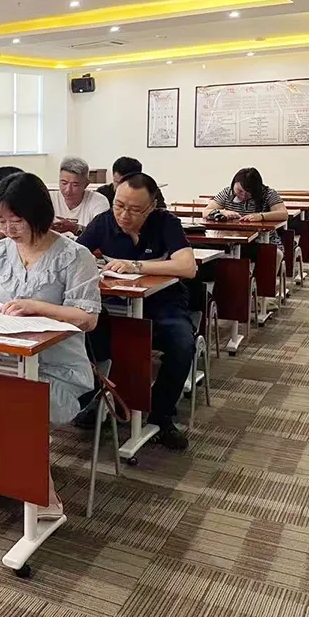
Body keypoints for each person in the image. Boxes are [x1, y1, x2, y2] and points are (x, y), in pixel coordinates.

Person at [0, 172, 100, 518]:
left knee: (14, 400)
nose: (7, 229)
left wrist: (38, 307)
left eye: (15, 221)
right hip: (5, 360)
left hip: (59, 370)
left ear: (37, 213)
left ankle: (40, 490)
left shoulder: (74, 256)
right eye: (0, 221)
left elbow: (88, 318)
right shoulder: (2, 250)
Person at [77, 172, 197, 450]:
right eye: (119, 205)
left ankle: (162, 415)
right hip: (114, 305)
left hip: (163, 304)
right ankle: (99, 400)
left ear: (151, 207)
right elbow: (72, 257)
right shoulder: (103, 222)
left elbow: (187, 267)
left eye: (134, 210)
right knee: (84, 335)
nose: (124, 215)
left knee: (182, 344)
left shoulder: (166, 223)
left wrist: (136, 266)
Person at [202, 167, 287, 223]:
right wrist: (222, 212)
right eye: (239, 191)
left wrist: (261, 216)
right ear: (233, 184)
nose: (243, 196)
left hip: (263, 238)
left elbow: (283, 214)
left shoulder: (268, 193)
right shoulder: (227, 192)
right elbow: (205, 212)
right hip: (233, 236)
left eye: (248, 193)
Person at [50, 156, 109, 235]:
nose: (68, 190)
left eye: (75, 185)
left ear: (86, 184)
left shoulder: (98, 201)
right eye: (64, 183)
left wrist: (75, 228)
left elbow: (102, 234)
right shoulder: (50, 199)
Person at [96, 157, 166, 209]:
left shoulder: (150, 192)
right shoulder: (102, 193)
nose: (120, 187)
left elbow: (162, 214)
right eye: (117, 182)